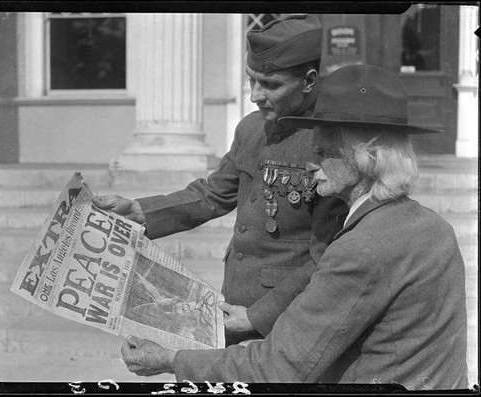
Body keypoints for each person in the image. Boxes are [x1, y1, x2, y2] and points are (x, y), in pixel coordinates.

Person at [119, 64, 468, 389]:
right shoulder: (433, 228)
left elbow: (279, 367)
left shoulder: (362, 249)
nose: (310, 163)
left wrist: (171, 358)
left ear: (367, 156)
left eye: (325, 152)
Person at [93, 14, 347, 346]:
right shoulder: (252, 128)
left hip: (288, 317)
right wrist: (140, 212)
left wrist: (258, 317)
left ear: (309, 81)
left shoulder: (333, 143)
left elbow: (328, 255)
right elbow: (214, 194)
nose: (255, 95)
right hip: (233, 303)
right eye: (251, 80)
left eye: (270, 85)